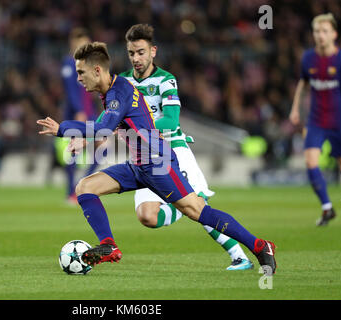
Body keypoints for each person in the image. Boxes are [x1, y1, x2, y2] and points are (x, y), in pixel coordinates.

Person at [37, 42, 277, 275]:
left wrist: (63, 128)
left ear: (97, 70)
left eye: (81, 72)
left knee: (197, 210)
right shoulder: (112, 90)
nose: (78, 78)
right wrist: (84, 137)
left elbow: (104, 127)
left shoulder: (120, 90)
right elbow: (104, 124)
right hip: (139, 165)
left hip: (157, 163)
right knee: (85, 187)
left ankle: (259, 246)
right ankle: (109, 245)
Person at [117, 24, 252, 270]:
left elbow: (171, 120)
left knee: (197, 209)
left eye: (141, 52)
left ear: (153, 51)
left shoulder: (166, 80)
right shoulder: (123, 83)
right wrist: (86, 135)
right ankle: (185, 202)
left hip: (173, 150)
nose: (136, 58)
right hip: (145, 156)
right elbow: (112, 117)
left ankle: (239, 256)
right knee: (147, 216)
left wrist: (137, 126)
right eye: (131, 53)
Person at [289, 13, 341, 226]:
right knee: (310, 161)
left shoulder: (340, 59)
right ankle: (327, 207)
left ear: (334, 34)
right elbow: (303, 82)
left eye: (325, 31)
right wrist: (295, 108)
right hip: (316, 120)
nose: (320, 35)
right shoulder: (308, 57)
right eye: (317, 31)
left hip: (339, 121)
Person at [59, 28, 100, 204]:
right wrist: (79, 111)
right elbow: (71, 92)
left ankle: (81, 185)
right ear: (73, 44)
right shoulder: (68, 64)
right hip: (78, 112)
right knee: (75, 149)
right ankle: (71, 192)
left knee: (103, 146)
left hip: (90, 111)